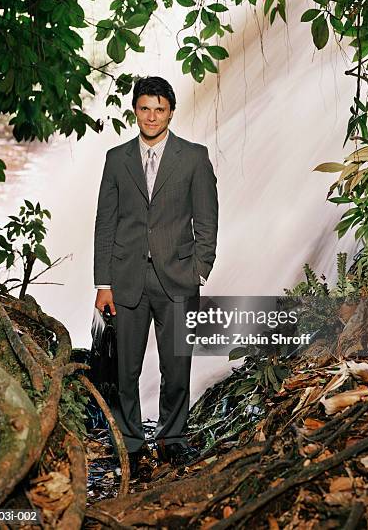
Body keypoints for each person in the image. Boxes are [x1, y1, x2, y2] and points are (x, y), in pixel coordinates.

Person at [93, 76, 218, 475]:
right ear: (135, 111)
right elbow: (105, 224)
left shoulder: (194, 157)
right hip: (126, 279)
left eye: (159, 109)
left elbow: (207, 218)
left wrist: (200, 267)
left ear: (171, 112)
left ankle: (172, 439)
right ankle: (130, 443)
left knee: (176, 367)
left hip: (178, 279)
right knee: (126, 369)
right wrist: (103, 284)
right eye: (145, 108)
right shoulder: (117, 159)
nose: (152, 116)